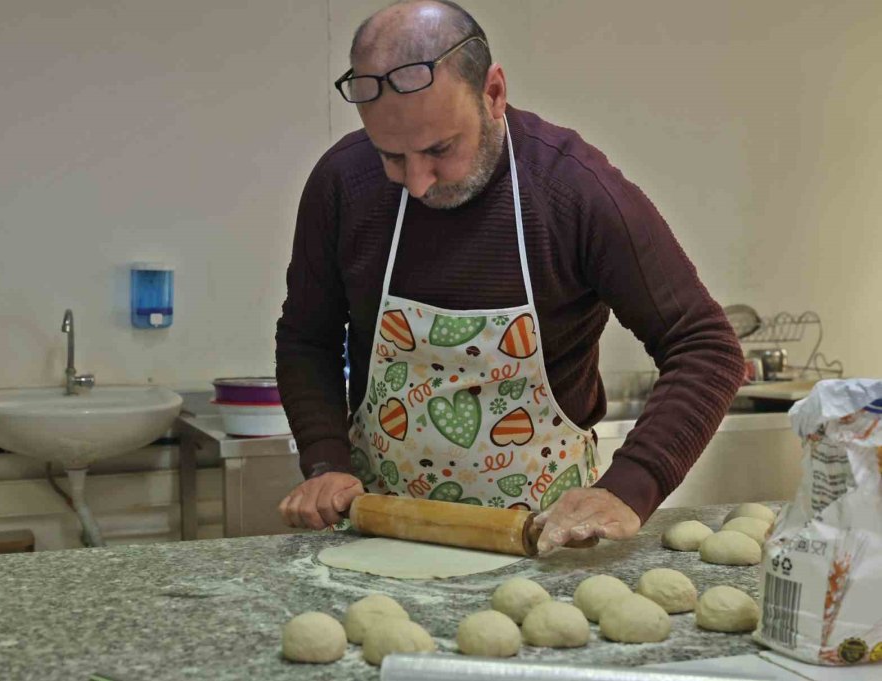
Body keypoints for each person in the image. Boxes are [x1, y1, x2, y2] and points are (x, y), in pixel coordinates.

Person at [276, 0, 744, 554]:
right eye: (392, 157)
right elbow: (308, 337)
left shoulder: (576, 193)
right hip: (384, 529)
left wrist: (629, 487)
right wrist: (325, 459)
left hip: (548, 539)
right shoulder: (342, 184)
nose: (419, 183)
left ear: (493, 92)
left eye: (439, 150)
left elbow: (707, 348)